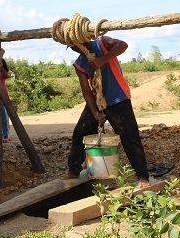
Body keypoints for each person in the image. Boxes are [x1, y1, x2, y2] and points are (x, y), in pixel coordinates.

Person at [61, 35, 150, 187]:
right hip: (97, 101)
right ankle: (74, 169)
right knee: (79, 133)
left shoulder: (103, 43)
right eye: (72, 47)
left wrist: (102, 60)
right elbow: (86, 90)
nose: (76, 49)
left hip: (119, 98)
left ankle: (142, 175)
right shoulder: (80, 64)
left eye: (76, 45)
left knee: (130, 137)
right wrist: (95, 113)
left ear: (83, 40)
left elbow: (123, 44)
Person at [0, 59, 11, 143]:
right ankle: (0, 135)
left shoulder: (2, 73)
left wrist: (1, 68)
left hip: (2, 98)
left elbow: (7, 76)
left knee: (4, 118)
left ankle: (5, 135)